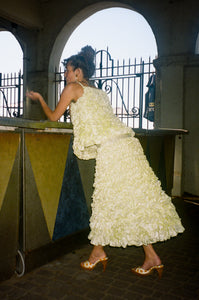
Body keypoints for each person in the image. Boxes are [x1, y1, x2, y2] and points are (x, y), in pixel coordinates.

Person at [26, 45, 184, 278]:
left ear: (78, 72)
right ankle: (143, 255)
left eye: (68, 71)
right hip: (128, 144)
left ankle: (102, 253)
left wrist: (39, 98)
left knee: (110, 200)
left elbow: (53, 117)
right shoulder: (99, 92)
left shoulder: (72, 88)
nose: (65, 75)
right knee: (129, 198)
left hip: (112, 149)